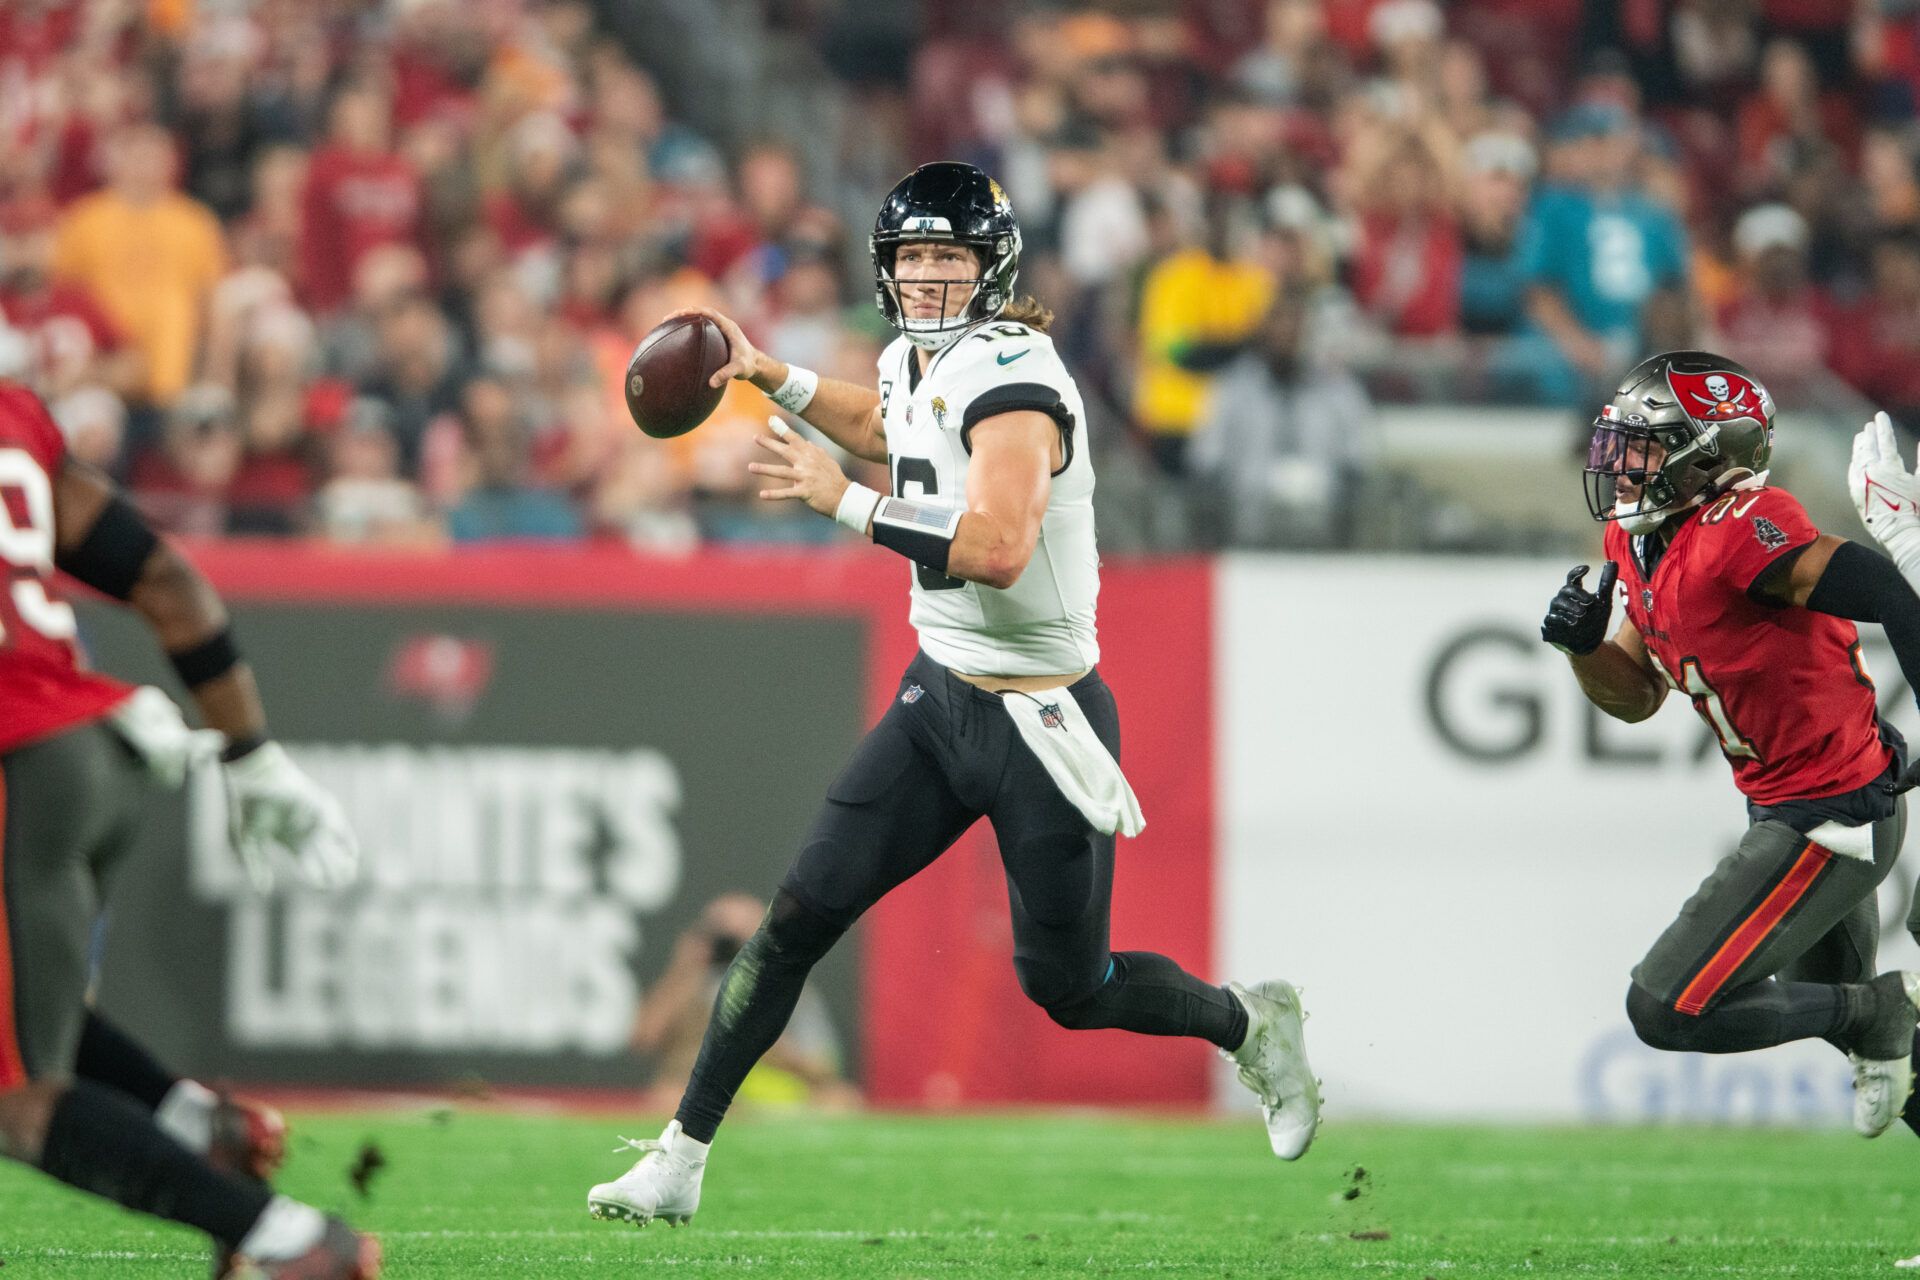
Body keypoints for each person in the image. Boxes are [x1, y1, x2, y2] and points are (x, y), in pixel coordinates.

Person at [587, 162, 1319, 1229]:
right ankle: (681, 1155)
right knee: (794, 915)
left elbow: (1001, 546)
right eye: (913, 258)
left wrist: (842, 504)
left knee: (1071, 984)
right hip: (940, 701)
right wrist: (766, 372)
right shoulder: (916, 358)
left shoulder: (1018, 375)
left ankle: (1250, 1024)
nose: (927, 278)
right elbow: (897, 423)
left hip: (1041, 717)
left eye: (947, 258)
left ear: (989, 267)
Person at [0, 378, 378, 1277]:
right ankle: (198, 1126)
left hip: (20, 763)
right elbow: (162, 577)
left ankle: (287, 1241)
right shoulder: (13, 412)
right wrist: (248, 750)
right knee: (29, 1018)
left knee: (18, 1098)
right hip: (91, 747)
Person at [1540, 350, 1920, 1145]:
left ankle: (1887, 1005)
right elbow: (1639, 695)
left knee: (1668, 1004)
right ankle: (1878, 1017)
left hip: (1831, 814)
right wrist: (1583, 649)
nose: (1621, 464)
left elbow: (1886, 591)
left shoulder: (1740, 527)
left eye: (1643, 446)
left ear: (1707, 455)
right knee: (1876, 1043)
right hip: (1791, 807)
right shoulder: (1640, 543)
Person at [628, 894, 855, 1111]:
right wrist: (685, 967)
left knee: (841, 1099)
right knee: (669, 1095)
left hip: (782, 1097)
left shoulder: (790, 988)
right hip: (715, 1101)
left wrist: (761, 1041)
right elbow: (643, 1039)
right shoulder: (693, 987)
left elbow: (823, 1067)